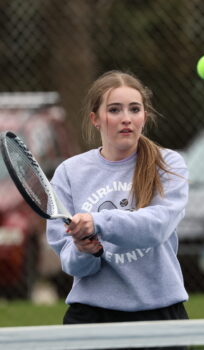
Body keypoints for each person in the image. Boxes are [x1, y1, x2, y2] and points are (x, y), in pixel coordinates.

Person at [46, 70, 189, 324]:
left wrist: (97, 222)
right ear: (96, 119)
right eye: (114, 110)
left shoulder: (168, 164)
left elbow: (157, 226)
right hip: (91, 315)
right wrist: (84, 250)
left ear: (144, 116)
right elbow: (73, 265)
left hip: (159, 314)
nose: (126, 119)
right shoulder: (69, 173)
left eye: (134, 109)